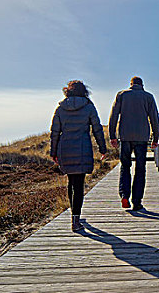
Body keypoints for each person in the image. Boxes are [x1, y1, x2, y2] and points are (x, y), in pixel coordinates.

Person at [50, 80, 107, 231]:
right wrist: (103, 148)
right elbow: (97, 129)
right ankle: (76, 219)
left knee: (71, 182)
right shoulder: (88, 107)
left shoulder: (60, 108)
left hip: (66, 148)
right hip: (82, 149)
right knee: (79, 184)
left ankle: (73, 216)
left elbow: (55, 132)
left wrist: (53, 152)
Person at [109, 76, 159, 211]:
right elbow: (154, 117)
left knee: (125, 166)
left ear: (131, 84)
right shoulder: (148, 97)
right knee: (140, 168)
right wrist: (155, 138)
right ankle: (137, 201)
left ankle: (124, 195)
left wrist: (112, 136)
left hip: (125, 136)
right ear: (142, 85)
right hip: (142, 137)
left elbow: (113, 115)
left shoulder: (121, 95)